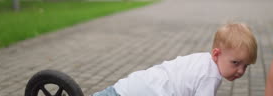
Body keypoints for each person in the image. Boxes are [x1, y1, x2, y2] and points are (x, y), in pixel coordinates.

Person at [92, 22, 257, 96]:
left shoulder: (202, 60)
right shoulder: (211, 75)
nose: (240, 71)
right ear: (216, 54)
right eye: (235, 63)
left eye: (246, 66)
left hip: (131, 86)